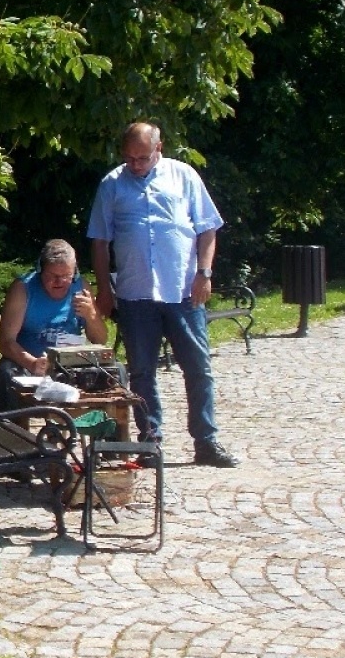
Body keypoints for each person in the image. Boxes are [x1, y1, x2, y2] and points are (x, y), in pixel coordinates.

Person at [88, 122, 239, 467]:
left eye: (142, 158)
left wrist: (205, 273)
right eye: (129, 158)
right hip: (135, 292)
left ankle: (206, 441)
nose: (136, 165)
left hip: (183, 290)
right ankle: (150, 441)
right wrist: (104, 290)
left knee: (198, 368)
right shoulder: (112, 185)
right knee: (141, 371)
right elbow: (99, 240)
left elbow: (208, 228)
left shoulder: (183, 176)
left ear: (160, 148)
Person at [0, 239, 109, 411]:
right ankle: (13, 434)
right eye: (52, 276)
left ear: (74, 273)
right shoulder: (23, 288)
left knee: (116, 371)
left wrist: (92, 316)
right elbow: (6, 342)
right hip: (30, 363)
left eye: (66, 276)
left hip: (71, 364)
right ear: (40, 270)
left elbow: (100, 340)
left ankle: (107, 432)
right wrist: (31, 363)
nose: (59, 281)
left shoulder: (81, 287)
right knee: (5, 373)